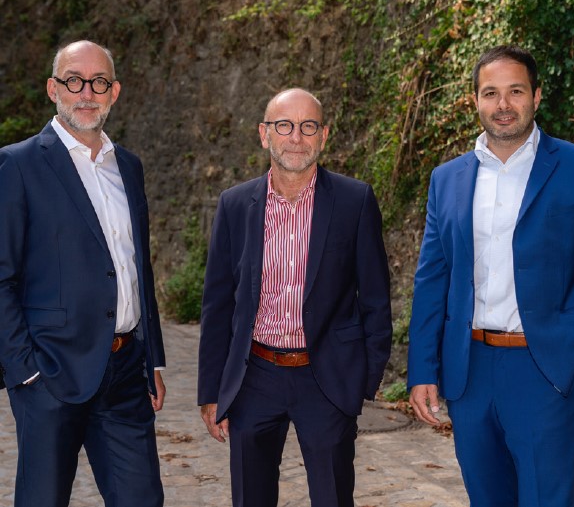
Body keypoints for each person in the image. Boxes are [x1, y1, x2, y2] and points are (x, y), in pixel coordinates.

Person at [198, 88, 392, 507]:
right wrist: (211, 389)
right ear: (264, 135)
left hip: (326, 379)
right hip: (255, 377)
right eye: (284, 126)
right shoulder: (234, 205)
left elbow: (376, 297)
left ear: (323, 135)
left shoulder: (355, 200)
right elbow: (218, 305)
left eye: (308, 127)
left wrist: (363, 379)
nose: (296, 138)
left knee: (333, 498)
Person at [407, 44, 574, 507]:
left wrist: (572, 339)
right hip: (470, 372)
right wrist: (423, 368)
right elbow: (432, 279)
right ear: (476, 100)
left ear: (537, 96)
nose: (503, 105)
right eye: (491, 93)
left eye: (515, 91)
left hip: (545, 370)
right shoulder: (447, 179)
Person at [0, 40, 166, 507]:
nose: (86, 92)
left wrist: (150, 356)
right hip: (51, 375)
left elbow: (136, 265)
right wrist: (25, 372)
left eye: (98, 82)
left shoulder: (128, 167)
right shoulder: (18, 164)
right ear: (54, 89)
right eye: (74, 80)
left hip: (125, 374)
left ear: (114, 92)